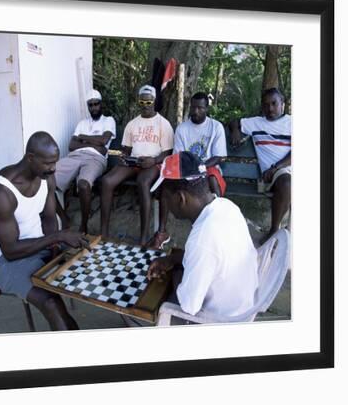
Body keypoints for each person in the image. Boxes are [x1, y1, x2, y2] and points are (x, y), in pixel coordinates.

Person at [0, 131, 89, 331]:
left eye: (55, 162)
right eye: (48, 163)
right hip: (7, 262)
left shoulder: (46, 178)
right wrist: (56, 237)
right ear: (30, 158)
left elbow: (49, 218)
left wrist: (55, 249)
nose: (53, 168)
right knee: (50, 301)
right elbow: (10, 251)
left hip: (40, 246)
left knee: (87, 262)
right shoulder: (0, 192)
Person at [147, 152, 258, 325]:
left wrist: (176, 272)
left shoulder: (203, 238)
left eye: (165, 197)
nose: (165, 203)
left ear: (180, 198)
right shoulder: (227, 206)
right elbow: (214, 257)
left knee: (146, 298)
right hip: (242, 305)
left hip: (220, 320)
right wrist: (173, 259)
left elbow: (189, 307)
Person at [149, 92, 228, 248]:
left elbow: (219, 157)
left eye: (200, 108)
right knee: (166, 186)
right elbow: (179, 156)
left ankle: (217, 226)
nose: (196, 111)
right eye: (193, 107)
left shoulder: (216, 127)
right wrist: (189, 171)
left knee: (212, 180)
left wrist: (201, 168)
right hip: (185, 169)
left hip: (208, 168)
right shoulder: (182, 128)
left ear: (206, 108)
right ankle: (162, 232)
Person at [100, 85, 174, 246]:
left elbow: (168, 152)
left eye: (148, 101)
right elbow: (126, 149)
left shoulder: (163, 124)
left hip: (154, 163)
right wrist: (124, 156)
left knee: (143, 181)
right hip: (134, 162)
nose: (145, 105)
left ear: (154, 101)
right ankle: (103, 233)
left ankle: (144, 236)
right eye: (142, 101)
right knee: (106, 181)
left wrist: (153, 161)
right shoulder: (132, 124)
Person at [229, 87, 291, 242]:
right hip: (277, 176)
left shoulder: (291, 123)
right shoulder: (255, 123)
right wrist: (235, 130)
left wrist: (276, 167)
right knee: (287, 183)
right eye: (266, 105)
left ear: (282, 103)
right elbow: (234, 122)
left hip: (281, 168)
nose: (270, 108)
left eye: (274, 103)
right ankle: (274, 230)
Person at [54, 89, 116, 233]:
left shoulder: (108, 120)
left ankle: (84, 225)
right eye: (91, 105)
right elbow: (71, 146)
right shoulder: (82, 123)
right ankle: (64, 219)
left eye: (96, 104)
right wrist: (95, 143)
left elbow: (104, 140)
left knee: (83, 184)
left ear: (101, 104)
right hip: (75, 156)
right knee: (46, 179)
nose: (94, 108)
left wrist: (83, 137)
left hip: (96, 159)